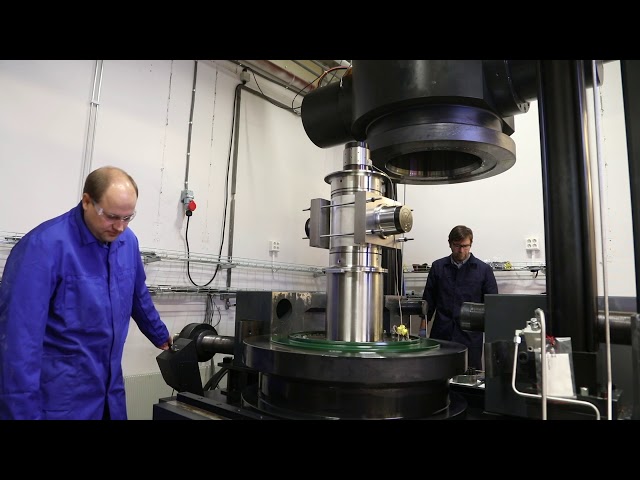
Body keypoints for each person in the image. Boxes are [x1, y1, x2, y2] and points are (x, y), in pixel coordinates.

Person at [0, 166, 172, 420]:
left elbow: (138, 294)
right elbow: (17, 344)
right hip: (60, 399)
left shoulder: (127, 242)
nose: (120, 227)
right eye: (112, 216)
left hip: (109, 395)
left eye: (128, 218)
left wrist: (160, 334)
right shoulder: (43, 248)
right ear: (87, 201)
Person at [419, 225, 498, 371]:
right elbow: (428, 300)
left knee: (469, 377)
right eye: (457, 246)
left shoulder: (483, 270)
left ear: (471, 244)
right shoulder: (438, 267)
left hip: (470, 336)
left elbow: (493, 305)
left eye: (465, 246)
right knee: (438, 373)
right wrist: (422, 330)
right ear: (449, 243)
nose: (461, 250)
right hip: (442, 334)